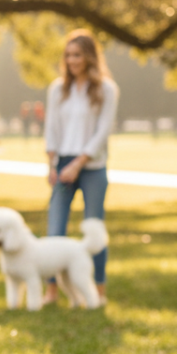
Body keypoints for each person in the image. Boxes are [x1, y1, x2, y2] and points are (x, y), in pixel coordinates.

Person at [43, 29, 118, 306]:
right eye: (68, 55)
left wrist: (79, 163)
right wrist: (53, 164)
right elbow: (51, 129)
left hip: (92, 166)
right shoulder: (57, 89)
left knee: (94, 228)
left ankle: (98, 290)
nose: (72, 60)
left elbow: (102, 132)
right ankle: (52, 291)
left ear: (89, 57)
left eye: (77, 55)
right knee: (55, 229)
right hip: (62, 164)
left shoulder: (106, 89)